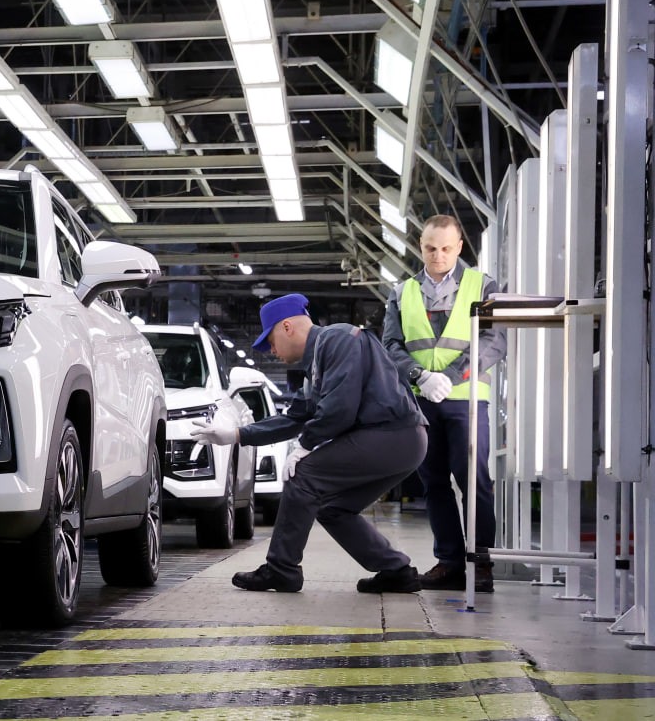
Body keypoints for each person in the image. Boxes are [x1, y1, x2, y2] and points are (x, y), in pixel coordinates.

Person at [191, 293, 427, 594]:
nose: (271, 351)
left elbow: (340, 409)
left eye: (271, 341)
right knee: (333, 508)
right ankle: (397, 571)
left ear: (287, 327)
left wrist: (304, 446)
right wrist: (237, 434)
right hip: (397, 441)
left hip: (393, 435)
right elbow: (295, 418)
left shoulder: (338, 338)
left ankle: (281, 570)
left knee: (302, 476)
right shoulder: (315, 368)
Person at [382, 214, 505, 593]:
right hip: (421, 401)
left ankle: (480, 565)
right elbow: (390, 345)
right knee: (433, 482)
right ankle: (450, 563)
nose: (438, 255)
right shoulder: (402, 292)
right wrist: (419, 375)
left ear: (459, 247)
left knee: (475, 482)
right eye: (431, 248)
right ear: (421, 246)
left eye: (446, 249)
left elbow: (494, 341)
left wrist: (450, 377)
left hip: (467, 400)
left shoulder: (483, 285)